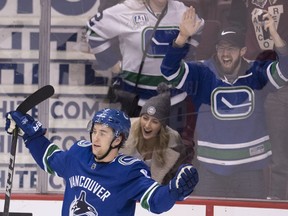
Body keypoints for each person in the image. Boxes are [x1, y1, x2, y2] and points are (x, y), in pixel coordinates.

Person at [160, 6, 288, 199]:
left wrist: (275, 36)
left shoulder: (257, 73)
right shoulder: (202, 74)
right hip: (210, 170)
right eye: (221, 48)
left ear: (243, 50)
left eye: (231, 49)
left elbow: (285, 71)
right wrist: (181, 38)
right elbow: (168, 70)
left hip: (250, 170)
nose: (225, 54)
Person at [5, 108, 198, 215]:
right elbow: (51, 159)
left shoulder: (130, 171)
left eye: (103, 133)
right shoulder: (79, 154)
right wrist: (31, 136)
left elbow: (156, 202)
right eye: (94, 131)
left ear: (118, 139)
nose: (95, 138)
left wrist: (174, 191)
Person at [86, 0, 204, 148]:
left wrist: (187, 54)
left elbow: (198, 28)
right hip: (136, 100)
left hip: (173, 101)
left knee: (171, 158)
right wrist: (114, 65)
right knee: (131, 155)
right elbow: (93, 30)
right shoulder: (127, 10)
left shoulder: (182, 11)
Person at [228, 0, 288, 200]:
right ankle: (267, 201)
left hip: (283, 76)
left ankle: (278, 200)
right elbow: (234, 25)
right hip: (253, 77)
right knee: (258, 146)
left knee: (279, 151)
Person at [120, 82, 194, 185]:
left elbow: (174, 183)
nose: (147, 125)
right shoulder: (123, 130)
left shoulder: (174, 144)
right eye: (145, 118)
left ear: (162, 126)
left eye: (155, 121)